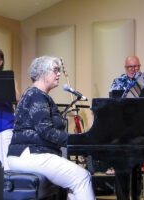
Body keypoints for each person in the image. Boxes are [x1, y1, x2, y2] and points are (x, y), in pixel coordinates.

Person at [7, 56, 95, 200]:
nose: (58, 73)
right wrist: (78, 141)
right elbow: (45, 131)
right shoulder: (36, 95)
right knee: (82, 177)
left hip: (28, 154)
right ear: (41, 72)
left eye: (59, 70)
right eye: (55, 70)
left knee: (72, 187)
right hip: (30, 154)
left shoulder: (36, 94)